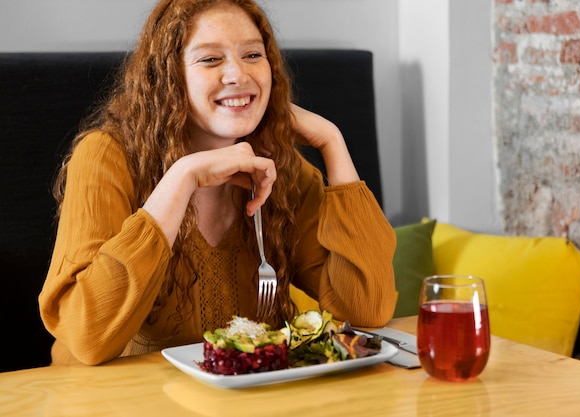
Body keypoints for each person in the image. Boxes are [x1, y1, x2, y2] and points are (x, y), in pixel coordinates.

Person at [38, 0, 397, 366]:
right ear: (168, 77)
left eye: (253, 55)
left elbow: (367, 308)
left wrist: (331, 141)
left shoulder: (280, 166)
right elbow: (87, 337)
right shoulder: (106, 156)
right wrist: (181, 179)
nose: (238, 75)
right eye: (210, 59)